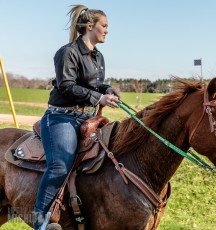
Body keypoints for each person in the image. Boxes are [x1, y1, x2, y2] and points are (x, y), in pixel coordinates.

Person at [34, 5, 120, 230]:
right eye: (104, 26)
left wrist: (107, 89)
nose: (107, 31)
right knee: (60, 165)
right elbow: (67, 86)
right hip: (61, 118)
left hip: (86, 119)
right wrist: (98, 99)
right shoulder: (67, 52)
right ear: (90, 26)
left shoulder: (98, 56)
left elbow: (94, 84)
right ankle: (40, 221)